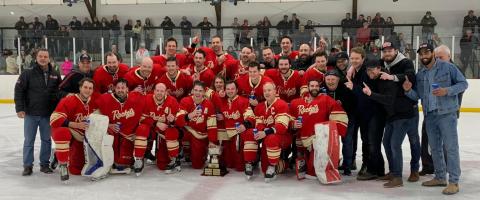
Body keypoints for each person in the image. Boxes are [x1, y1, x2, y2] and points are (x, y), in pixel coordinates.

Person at [404, 43, 468, 195]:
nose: (424, 56)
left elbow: (463, 84)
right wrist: (407, 91)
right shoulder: (421, 74)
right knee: (435, 148)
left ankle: (453, 181)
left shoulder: (448, 67)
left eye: (427, 52)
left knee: (451, 147)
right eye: (421, 53)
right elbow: (417, 96)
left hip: (446, 114)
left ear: (432, 53)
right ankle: (440, 177)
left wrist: (447, 91)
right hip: (430, 115)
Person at [378, 41, 421, 186]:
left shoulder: (405, 62)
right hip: (393, 111)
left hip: (409, 110)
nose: (387, 53)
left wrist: (392, 77)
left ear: (396, 51)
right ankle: (394, 171)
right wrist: (352, 67)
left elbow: (411, 76)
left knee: (413, 140)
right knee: (387, 142)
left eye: (390, 51)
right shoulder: (384, 63)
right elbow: (368, 64)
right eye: (385, 51)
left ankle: (414, 169)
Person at [14, 48, 62, 176]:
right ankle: (28, 165)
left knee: (46, 140)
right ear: (36, 58)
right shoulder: (27, 73)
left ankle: (44, 164)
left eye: (45, 56)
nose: (43, 59)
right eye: (40, 56)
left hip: (47, 114)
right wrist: (20, 108)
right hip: (31, 113)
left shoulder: (55, 73)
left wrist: (58, 110)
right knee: (29, 140)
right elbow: (19, 90)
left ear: (49, 58)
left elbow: (59, 93)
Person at [290, 79, 348, 181]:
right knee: (302, 157)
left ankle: (317, 169)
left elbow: (337, 111)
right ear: (308, 87)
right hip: (301, 137)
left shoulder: (325, 99)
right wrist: (293, 124)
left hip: (319, 137)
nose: (314, 88)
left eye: (316, 86)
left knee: (316, 159)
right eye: (312, 86)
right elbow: (290, 118)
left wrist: (333, 129)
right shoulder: (297, 102)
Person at [96, 78, 148, 175]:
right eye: (118, 88)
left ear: (127, 89)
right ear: (114, 89)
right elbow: (95, 116)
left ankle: (139, 158)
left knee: (123, 163)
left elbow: (147, 113)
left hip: (129, 136)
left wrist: (137, 133)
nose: (120, 90)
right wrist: (108, 125)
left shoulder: (136, 98)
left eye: (123, 88)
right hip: (113, 135)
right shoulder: (105, 99)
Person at [50, 78, 98, 182]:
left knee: (76, 170)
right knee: (62, 132)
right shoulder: (69, 100)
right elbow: (54, 119)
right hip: (70, 131)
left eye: (90, 88)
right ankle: (62, 163)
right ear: (80, 88)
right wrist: (75, 124)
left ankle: (60, 153)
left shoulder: (95, 100)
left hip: (84, 137)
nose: (87, 90)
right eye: (85, 87)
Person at [137, 82, 181, 173]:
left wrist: (173, 120)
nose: (159, 93)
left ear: (166, 92)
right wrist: (155, 122)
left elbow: (180, 119)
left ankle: (174, 158)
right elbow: (140, 117)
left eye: (162, 91)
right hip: (151, 128)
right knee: (142, 128)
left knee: (162, 165)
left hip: (163, 131)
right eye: (157, 90)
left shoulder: (172, 101)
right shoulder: (146, 99)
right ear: (154, 91)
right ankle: (139, 158)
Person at [175, 81, 218, 169]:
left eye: (200, 91)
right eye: (196, 90)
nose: (197, 93)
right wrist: (190, 115)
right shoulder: (185, 101)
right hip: (187, 131)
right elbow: (178, 120)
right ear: (192, 91)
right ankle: (183, 151)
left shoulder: (209, 105)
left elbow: (212, 126)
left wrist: (212, 141)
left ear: (204, 92)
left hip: (200, 134)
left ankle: (202, 152)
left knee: (197, 165)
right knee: (175, 132)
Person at [217, 81, 255, 174]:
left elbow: (250, 117)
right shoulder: (222, 102)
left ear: (237, 90)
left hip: (238, 135)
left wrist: (244, 125)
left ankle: (253, 158)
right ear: (225, 90)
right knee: (228, 164)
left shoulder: (244, 101)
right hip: (226, 136)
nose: (230, 91)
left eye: (232, 89)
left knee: (240, 166)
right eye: (228, 89)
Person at [324, 70, 356, 175]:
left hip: (347, 118)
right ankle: (330, 164)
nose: (330, 81)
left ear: (338, 80)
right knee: (329, 142)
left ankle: (347, 166)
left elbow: (353, 104)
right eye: (328, 79)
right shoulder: (322, 89)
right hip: (329, 119)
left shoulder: (346, 88)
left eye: (333, 79)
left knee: (347, 141)